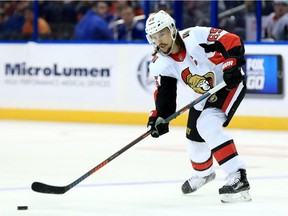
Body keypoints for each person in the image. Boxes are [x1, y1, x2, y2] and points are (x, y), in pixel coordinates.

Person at [145, 10, 251, 203]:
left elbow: (232, 40)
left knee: (207, 124)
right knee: (194, 137)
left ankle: (238, 176)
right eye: (153, 37)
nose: (158, 40)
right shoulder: (160, 63)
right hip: (204, 93)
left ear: (172, 30)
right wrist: (160, 116)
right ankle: (204, 173)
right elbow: (165, 95)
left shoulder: (195, 36)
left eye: (162, 34)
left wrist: (231, 65)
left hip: (227, 83)